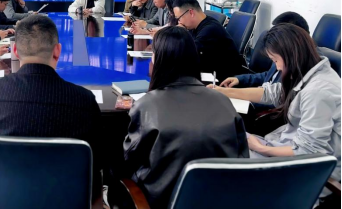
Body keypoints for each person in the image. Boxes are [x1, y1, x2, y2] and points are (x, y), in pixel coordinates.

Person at [0, 15, 102, 202]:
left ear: (15, 50)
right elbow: (98, 161)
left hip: (1, 199)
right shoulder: (84, 100)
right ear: (57, 51)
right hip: (63, 200)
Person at [121, 27, 249, 208]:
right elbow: (242, 157)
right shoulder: (224, 102)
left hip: (161, 201)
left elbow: (129, 159)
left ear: (157, 59)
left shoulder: (146, 106)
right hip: (220, 200)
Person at [210, 24, 340, 195]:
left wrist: (262, 149)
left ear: (291, 55)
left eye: (275, 60)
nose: (277, 67)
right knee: (228, 142)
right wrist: (224, 92)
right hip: (289, 147)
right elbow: (272, 93)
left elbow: (308, 151)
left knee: (228, 164)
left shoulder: (319, 91)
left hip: (311, 171)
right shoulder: (307, 72)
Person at [221, 12, 310, 89]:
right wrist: (240, 79)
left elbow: (277, 98)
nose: (277, 66)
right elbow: (269, 75)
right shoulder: (284, 54)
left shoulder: (302, 69)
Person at [173, 0, 246, 82]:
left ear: (191, 12)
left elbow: (188, 54)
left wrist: (179, 34)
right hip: (211, 69)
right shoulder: (197, 25)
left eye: (179, 18)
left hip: (224, 79)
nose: (179, 22)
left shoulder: (210, 30)